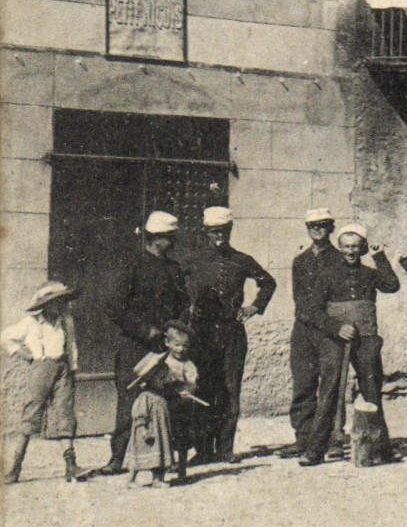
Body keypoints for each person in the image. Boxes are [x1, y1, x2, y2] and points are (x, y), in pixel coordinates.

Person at [99, 211, 190, 475]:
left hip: (166, 347)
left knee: (167, 400)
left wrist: (175, 333)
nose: (173, 243)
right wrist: (143, 330)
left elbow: (183, 305)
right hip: (134, 346)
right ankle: (118, 459)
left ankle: (165, 459)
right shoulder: (132, 265)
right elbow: (113, 306)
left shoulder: (173, 269)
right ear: (156, 239)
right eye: (169, 238)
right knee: (129, 400)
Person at [185, 207, 276, 464]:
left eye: (224, 231)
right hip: (202, 333)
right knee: (203, 387)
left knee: (230, 389)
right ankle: (203, 450)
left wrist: (254, 307)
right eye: (215, 232)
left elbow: (268, 281)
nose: (220, 237)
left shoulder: (241, 260)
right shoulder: (193, 260)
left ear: (230, 231)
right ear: (206, 233)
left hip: (232, 333)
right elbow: (177, 286)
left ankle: (225, 448)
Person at [306, 222, 401, 467]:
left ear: (362, 249)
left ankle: (381, 448)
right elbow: (313, 311)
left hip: (366, 339)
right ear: (339, 248)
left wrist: (380, 257)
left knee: (371, 389)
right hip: (334, 340)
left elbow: (392, 285)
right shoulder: (326, 275)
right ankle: (317, 449)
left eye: (356, 247)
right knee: (329, 390)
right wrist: (336, 328)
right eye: (347, 247)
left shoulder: (370, 274)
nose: (351, 251)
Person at [2, 282, 83, 484]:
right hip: (42, 369)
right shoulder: (31, 323)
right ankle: (14, 467)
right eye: (56, 302)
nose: (61, 305)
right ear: (45, 305)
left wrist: (72, 370)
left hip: (62, 368)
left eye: (63, 301)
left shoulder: (66, 321)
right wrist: (26, 355)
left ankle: (71, 466)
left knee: (65, 412)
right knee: (31, 414)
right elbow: (5, 338)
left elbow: (72, 345)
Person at [284, 208, 340, 460]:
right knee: (303, 384)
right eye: (312, 226)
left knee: (330, 386)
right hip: (304, 330)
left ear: (331, 228)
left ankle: (332, 439)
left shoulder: (340, 259)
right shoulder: (300, 261)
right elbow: (299, 298)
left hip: (329, 331)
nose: (317, 230)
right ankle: (304, 437)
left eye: (322, 225)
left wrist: (331, 325)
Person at [124, 319, 207, 487]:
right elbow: (141, 373)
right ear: (168, 343)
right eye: (177, 345)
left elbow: (191, 383)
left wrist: (185, 390)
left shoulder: (188, 365)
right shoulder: (158, 359)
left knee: (179, 437)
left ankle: (180, 470)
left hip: (176, 406)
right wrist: (146, 377)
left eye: (185, 346)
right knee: (153, 438)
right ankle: (141, 476)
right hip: (158, 403)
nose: (181, 349)